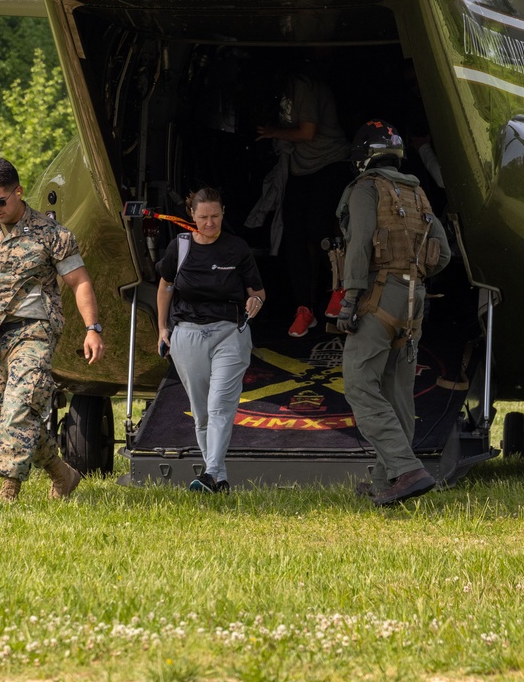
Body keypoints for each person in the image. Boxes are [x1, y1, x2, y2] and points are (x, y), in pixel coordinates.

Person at [0, 157, 105, 504]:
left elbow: (79, 282)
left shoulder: (52, 235)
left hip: (35, 332)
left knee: (19, 409)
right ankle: (63, 475)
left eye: (0, 201)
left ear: (18, 192)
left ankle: (8, 490)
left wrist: (92, 328)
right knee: (13, 415)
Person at [336, 121, 451, 507]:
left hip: (377, 296)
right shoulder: (418, 193)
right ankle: (390, 479)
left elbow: (358, 248)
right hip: (414, 300)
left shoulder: (366, 189)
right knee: (398, 390)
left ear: (363, 156)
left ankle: (406, 468)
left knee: (359, 384)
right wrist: (413, 275)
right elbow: (444, 254)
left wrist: (350, 298)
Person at [156, 187, 266, 494]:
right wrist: (163, 329)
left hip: (230, 332)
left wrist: (256, 302)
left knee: (220, 406)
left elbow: (258, 290)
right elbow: (165, 286)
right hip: (187, 334)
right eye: (203, 217)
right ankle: (218, 480)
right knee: (201, 411)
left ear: (223, 213)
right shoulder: (179, 247)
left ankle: (212, 471)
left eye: (215, 216)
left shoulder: (237, 248)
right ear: (192, 215)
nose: (209, 223)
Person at [255, 66, 349, 338]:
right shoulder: (281, 91)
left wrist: (274, 133)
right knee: (293, 235)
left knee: (321, 231)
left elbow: (308, 131)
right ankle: (303, 309)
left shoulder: (303, 83)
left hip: (330, 163)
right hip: (301, 167)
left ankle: (339, 291)